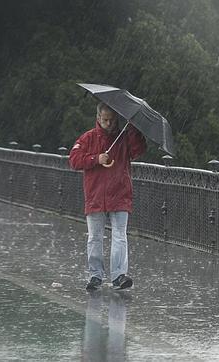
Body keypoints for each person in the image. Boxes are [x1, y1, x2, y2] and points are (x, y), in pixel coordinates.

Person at [69, 102, 146, 291]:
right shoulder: (88, 138)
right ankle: (96, 275)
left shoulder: (125, 137)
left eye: (112, 120)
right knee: (95, 237)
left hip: (120, 194)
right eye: (105, 120)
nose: (109, 123)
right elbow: (74, 159)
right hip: (95, 195)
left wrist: (134, 129)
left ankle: (119, 275)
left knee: (119, 236)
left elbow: (139, 150)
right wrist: (95, 159)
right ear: (98, 118)